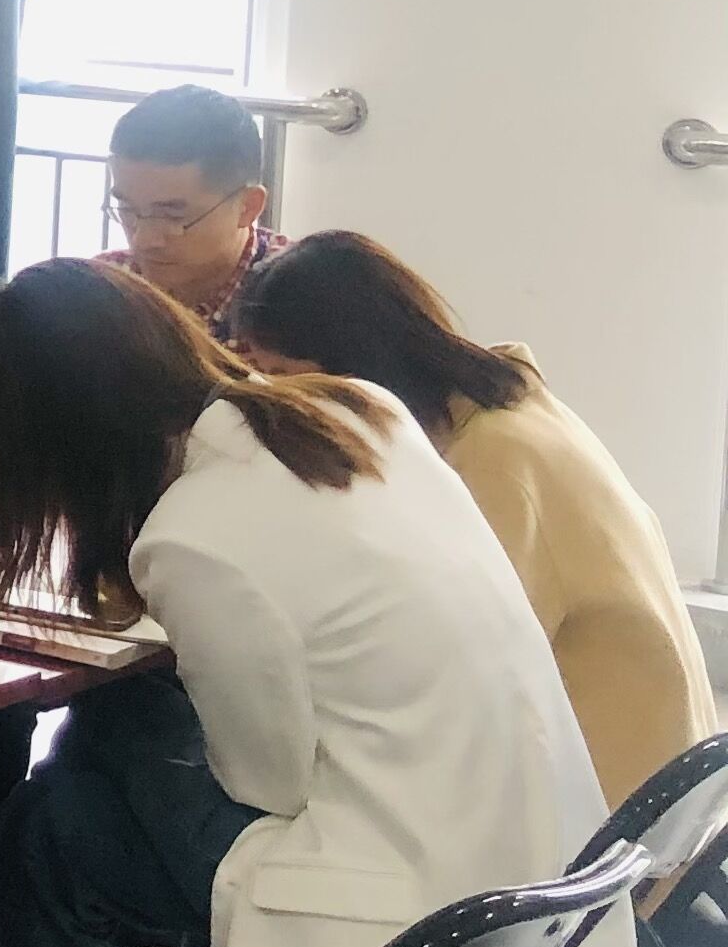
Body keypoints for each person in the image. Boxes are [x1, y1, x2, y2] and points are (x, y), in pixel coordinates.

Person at [0, 259, 628, 947]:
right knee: (81, 784)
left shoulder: (191, 534)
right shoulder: (362, 412)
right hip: (529, 865)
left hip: (404, 915)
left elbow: (265, 784)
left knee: (68, 805)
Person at [232, 232, 717, 808]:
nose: (281, 400)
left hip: (612, 811)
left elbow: (442, 677)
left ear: (357, 364)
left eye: (284, 374)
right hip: (658, 782)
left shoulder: (497, 463)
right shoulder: (506, 406)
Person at [95, 82, 287, 327]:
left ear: (248, 207)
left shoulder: (302, 300)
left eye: (171, 216)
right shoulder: (105, 288)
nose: (143, 240)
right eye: (128, 209)